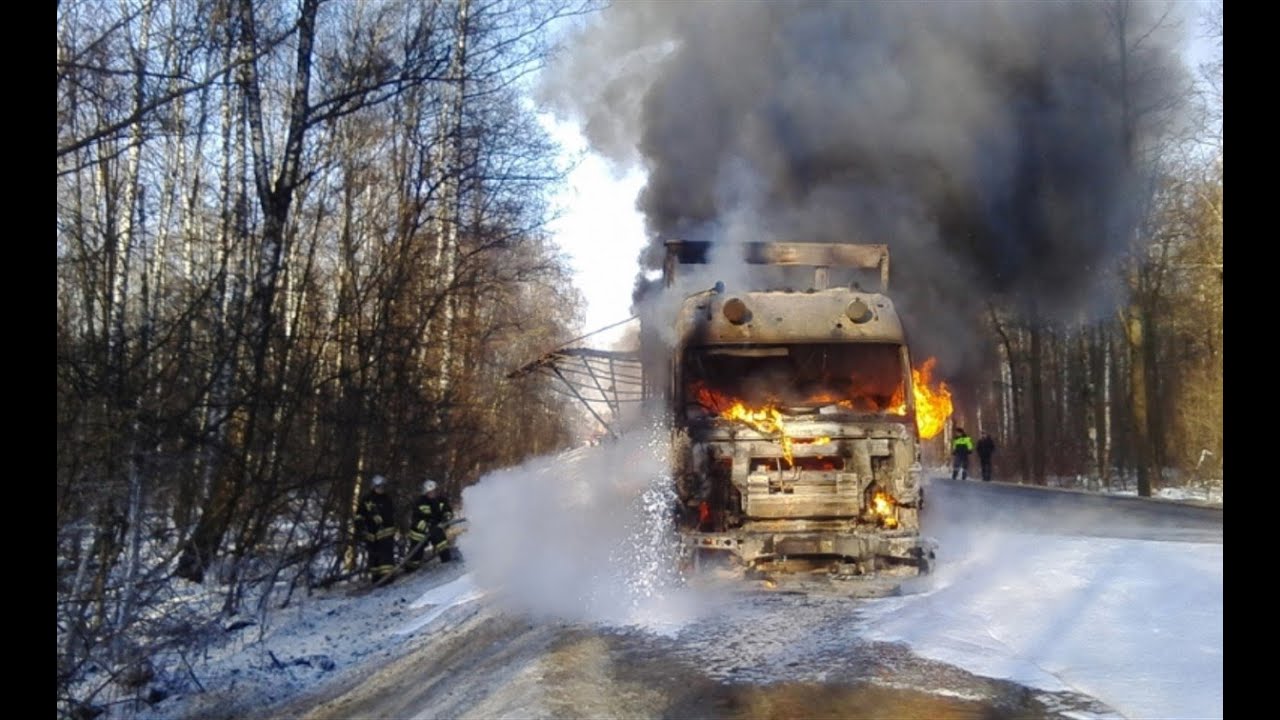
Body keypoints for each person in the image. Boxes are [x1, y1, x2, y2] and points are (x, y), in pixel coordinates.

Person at [355, 475, 398, 583]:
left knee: (386, 556)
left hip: (385, 534)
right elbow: (359, 515)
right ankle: (376, 577)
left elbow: (390, 515)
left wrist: (383, 522)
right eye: (379, 487)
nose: (381, 489)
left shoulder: (386, 499)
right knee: (374, 557)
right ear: (373, 487)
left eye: (383, 487)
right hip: (371, 534)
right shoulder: (366, 500)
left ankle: (387, 577)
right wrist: (361, 527)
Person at [407, 479, 458, 568]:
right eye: (431, 492)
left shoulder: (441, 500)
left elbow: (447, 510)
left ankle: (446, 559)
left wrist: (447, 516)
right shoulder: (420, 502)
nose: (433, 493)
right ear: (426, 492)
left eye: (434, 491)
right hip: (419, 533)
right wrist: (427, 527)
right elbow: (415, 520)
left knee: (440, 539)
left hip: (435, 529)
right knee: (416, 554)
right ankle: (410, 567)